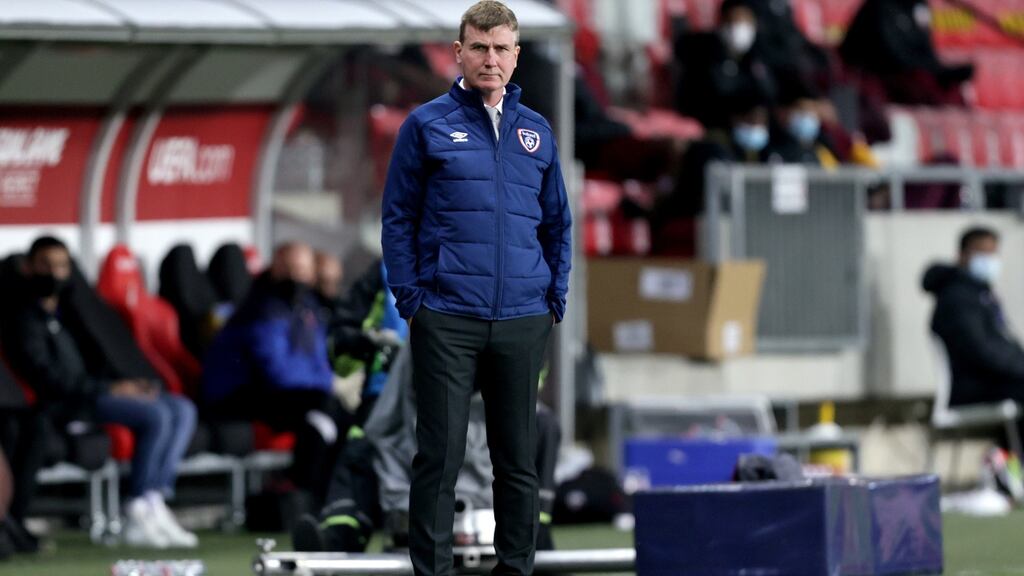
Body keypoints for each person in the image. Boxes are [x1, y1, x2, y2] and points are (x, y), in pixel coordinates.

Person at [380, 1, 572, 574]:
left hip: (522, 318)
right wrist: (413, 301)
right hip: (447, 317)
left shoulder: (536, 131)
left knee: (517, 461)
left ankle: (516, 570)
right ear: (458, 52)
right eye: (480, 48)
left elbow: (557, 222)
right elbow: (397, 217)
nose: (491, 59)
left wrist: (552, 299)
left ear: (516, 56)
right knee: (438, 457)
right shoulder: (426, 125)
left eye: (502, 49)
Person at [1, 237, 198, 549]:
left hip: (95, 391)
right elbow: (50, 379)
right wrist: (110, 388)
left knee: (182, 408)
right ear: (29, 268)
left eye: (62, 266)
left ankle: (154, 496)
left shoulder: (70, 311)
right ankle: (136, 505)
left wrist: (128, 383)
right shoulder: (23, 319)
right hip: (68, 403)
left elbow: (97, 358)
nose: (55, 273)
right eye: (46, 265)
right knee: (156, 415)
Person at [203, 242, 350, 504]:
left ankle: (333, 495)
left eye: (303, 270)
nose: (297, 277)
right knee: (319, 410)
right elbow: (276, 370)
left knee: (338, 411)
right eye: (291, 268)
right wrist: (316, 392)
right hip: (237, 394)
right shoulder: (261, 307)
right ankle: (302, 491)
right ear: (277, 267)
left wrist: (320, 390)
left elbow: (319, 360)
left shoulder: (305, 306)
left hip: (280, 392)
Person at [924, 227, 1024, 407]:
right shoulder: (957, 298)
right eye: (982, 253)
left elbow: (1001, 341)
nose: (989, 261)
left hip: (992, 381)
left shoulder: (980, 295)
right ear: (962, 255)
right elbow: (980, 350)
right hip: (973, 386)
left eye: (993, 253)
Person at [840, 0, 973, 107]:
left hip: (910, 73)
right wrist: (936, 72)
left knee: (953, 92)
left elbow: (927, 53)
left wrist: (945, 72)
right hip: (879, 80)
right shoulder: (879, 7)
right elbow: (893, 57)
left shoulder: (919, 6)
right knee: (921, 86)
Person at [673, 0, 777, 129]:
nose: (738, 27)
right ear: (721, 22)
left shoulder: (760, 56)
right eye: (732, 21)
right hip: (713, 128)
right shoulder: (701, 52)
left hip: (754, 128)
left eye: (745, 22)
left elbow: (769, 95)